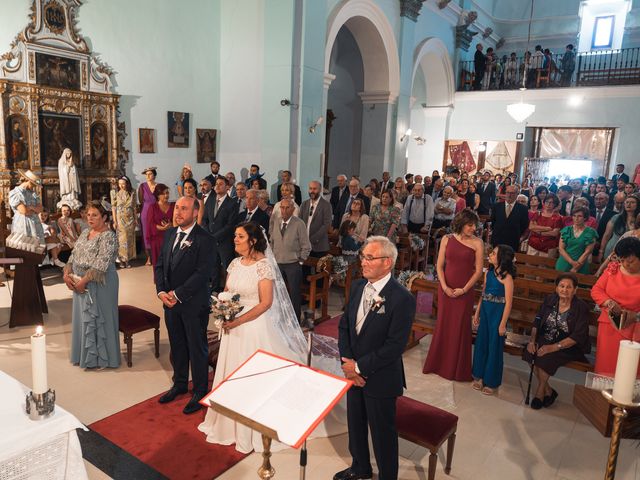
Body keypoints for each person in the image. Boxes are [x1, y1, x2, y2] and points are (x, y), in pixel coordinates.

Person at [199, 222, 341, 452]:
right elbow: (228, 292)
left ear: (252, 241)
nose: (234, 239)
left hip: (254, 326)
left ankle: (255, 423)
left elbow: (266, 303)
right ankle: (227, 423)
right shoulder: (234, 264)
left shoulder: (264, 266)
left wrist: (238, 320)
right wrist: (224, 311)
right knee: (231, 373)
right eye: (234, 235)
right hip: (232, 326)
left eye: (240, 236)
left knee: (252, 376)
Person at [336, 236, 416, 480]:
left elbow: (394, 346)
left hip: (380, 377)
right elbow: (344, 326)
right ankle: (360, 467)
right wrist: (348, 364)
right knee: (356, 425)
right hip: (353, 372)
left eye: (370, 258)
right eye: (363, 257)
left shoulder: (402, 298)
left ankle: (387, 476)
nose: (363, 262)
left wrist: (359, 367)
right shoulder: (359, 286)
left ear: (387, 263)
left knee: (382, 434)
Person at [155, 196, 216, 414]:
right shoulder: (171, 233)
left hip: (192, 303)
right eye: (177, 208)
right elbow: (160, 264)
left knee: (196, 347)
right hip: (170, 303)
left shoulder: (205, 239)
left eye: (184, 209)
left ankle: (200, 390)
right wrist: (161, 291)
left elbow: (203, 273)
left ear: (194, 213)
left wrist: (178, 294)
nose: (178, 212)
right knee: (177, 344)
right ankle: (180, 384)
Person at [423, 209, 484, 381]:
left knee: (459, 328)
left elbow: (478, 271)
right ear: (461, 223)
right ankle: (437, 364)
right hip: (445, 290)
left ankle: (456, 369)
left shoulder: (478, 243)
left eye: (475, 225)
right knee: (443, 324)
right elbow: (439, 265)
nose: (473, 228)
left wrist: (464, 290)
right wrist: (444, 287)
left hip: (465, 292)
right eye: (470, 225)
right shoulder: (447, 239)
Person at [63, 201, 120, 369]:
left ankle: (104, 359)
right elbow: (73, 255)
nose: (90, 218)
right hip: (79, 282)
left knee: (101, 319)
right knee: (83, 320)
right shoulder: (85, 232)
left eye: (95, 215)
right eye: (88, 215)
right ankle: (86, 357)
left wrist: (83, 282)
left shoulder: (109, 236)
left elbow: (101, 264)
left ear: (104, 217)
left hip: (101, 284)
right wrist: (67, 273)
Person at [523, 273, 591, 409]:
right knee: (530, 353)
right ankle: (549, 390)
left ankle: (539, 393)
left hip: (569, 345)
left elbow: (578, 336)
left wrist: (553, 347)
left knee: (546, 358)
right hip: (546, 338)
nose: (564, 290)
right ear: (557, 288)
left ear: (575, 290)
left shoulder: (581, 307)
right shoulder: (550, 300)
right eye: (562, 286)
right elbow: (537, 321)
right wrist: (532, 340)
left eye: (569, 287)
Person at [592, 237, 640, 377]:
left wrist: (635, 316)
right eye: (622, 260)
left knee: (629, 369)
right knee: (606, 366)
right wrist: (609, 302)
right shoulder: (612, 270)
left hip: (635, 327)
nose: (625, 264)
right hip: (609, 324)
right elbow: (596, 290)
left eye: (630, 261)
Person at [472, 245, 515, 395]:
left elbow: (509, 303)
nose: (490, 254)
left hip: (497, 315)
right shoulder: (488, 273)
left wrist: (503, 324)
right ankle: (479, 376)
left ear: (502, 258)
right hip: (485, 312)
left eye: (494, 253)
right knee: (481, 343)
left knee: (494, 347)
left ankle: (491, 381)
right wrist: (477, 313)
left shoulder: (507, 278)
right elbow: (483, 295)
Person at [269, 198, 311, 320]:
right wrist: (271, 258)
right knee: (277, 293)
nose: (284, 210)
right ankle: (278, 317)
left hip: (293, 264)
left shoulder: (299, 223)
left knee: (294, 294)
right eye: (282, 207)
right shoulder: (276, 221)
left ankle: (295, 319)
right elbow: (272, 241)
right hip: (277, 263)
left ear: (293, 209)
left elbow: (306, 245)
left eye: (287, 208)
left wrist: (301, 260)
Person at [202, 176, 239, 291]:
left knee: (228, 267)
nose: (217, 186)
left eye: (221, 184)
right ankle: (214, 290)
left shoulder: (232, 203)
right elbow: (205, 220)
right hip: (211, 241)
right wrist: (208, 234)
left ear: (227, 187)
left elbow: (230, 225)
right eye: (216, 184)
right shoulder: (211, 200)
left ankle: (230, 291)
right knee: (213, 268)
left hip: (225, 242)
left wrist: (214, 237)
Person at [556, 206, 598, 274]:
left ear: (585, 218)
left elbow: (588, 251)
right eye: (574, 216)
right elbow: (561, 249)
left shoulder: (590, 232)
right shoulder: (566, 230)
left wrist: (576, 266)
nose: (576, 218)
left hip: (581, 264)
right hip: (564, 263)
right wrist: (572, 262)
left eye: (579, 216)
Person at [490, 184, 530, 253]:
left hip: (513, 240)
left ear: (517, 194)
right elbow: (493, 222)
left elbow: (524, 225)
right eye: (507, 192)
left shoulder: (523, 209)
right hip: (497, 239)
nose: (509, 195)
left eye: (512, 193)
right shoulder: (496, 206)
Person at [9, 169, 44, 243]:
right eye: (33, 184)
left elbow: (41, 209)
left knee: (38, 249)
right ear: (28, 181)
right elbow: (24, 211)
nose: (34, 186)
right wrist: (34, 209)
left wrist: (31, 207)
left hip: (35, 223)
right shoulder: (15, 193)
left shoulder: (33, 193)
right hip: (22, 223)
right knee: (25, 247)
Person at [145, 183, 175, 268]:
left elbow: (178, 220)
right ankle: (159, 280)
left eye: (167, 193)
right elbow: (151, 224)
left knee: (171, 262)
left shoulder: (173, 206)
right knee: (158, 262)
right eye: (163, 193)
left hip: (171, 237)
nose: (166, 195)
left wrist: (171, 224)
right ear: (158, 195)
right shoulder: (152, 207)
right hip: (157, 238)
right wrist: (162, 228)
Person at [600, 195, 640, 259]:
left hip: (630, 254)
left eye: (632, 202)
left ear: (638, 205)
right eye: (627, 202)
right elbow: (606, 235)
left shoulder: (638, 220)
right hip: (612, 250)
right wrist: (601, 251)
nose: (628, 204)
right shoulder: (616, 217)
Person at [111, 176, 137, 268]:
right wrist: (114, 221)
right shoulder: (114, 192)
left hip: (130, 218)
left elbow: (134, 206)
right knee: (121, 239)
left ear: (127, 183)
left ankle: (128, 260)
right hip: (119, 218)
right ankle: (121, 260)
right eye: (120, 183)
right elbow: (113, 207)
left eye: (123, 183)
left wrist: (136, 219)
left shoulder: (133, 192)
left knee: (129, 238)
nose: (121, 185)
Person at [300, 180, 332, 258]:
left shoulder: (326, 205)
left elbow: (326, 224)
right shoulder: (304, 204)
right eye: (310, 188)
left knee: (319, 269)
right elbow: (299, 222)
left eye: (315, 189)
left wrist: (313, 239)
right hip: (304, 245)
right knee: (305, 269)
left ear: (320, 190)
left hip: (319, 245)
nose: (312, 191)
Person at [138, 167, 157, 266]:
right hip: (145, 212)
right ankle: (149, 257)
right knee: (146, 235)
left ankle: (156, 256)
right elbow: (141, 200)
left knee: (156, 233)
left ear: (154, 175)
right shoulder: (142, 186)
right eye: (146, 174)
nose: (148, 176)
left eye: (150, 174)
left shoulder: (159, 186)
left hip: (156, 212)